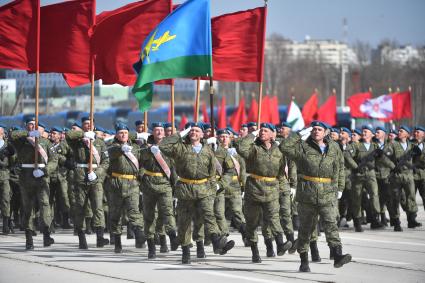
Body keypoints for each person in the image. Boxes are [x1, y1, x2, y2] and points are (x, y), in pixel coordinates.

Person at [279, 121, 351, 272]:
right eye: (314, 129)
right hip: (307, 194)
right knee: (306, 228)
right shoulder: (303, 147)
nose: (316, 131)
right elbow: (284, 147)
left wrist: (340, 187)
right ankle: (304, 261)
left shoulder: (334, 147)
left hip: (328, 193)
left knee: (331, 224)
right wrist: (299, 135)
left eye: (319, 129)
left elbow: (340, 168)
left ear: (325, 132)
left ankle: (337, 255)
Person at [158, 123, 234, 264]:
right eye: (191, 130)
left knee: (208, 215)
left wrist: (216, 185)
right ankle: (185, 251)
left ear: (202, 134)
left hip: (204, 188)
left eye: (196, 130)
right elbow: (163, 145)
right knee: (184, 221)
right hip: (186, 188)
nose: (193, 132)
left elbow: (213, 171)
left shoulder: (208, 150)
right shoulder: (180, 148)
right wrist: (180, 133)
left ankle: (217, 241)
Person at [235, 123, 292, 263]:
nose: (262, 133)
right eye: (261, 131)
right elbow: (241, 148)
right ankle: (255, 251)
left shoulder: (279, 150)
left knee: (273, 218)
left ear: (273, 134)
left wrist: (285, 187)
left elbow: (281, 172)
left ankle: (280, 244)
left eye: (265, 131)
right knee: (252, 222)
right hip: (254, 188)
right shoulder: (253, 148)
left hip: (272, 188)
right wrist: (252, 134)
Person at [9, 118, 58, 249]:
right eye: (30, 125)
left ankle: (46, 235)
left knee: (45, 204)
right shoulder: (22, 140)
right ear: (26, 126)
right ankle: (28, 238)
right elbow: (11, 135)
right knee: (27, 207)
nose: (32, 127)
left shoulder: (46, 142)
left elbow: (54, 160)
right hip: (26, 176)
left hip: (41, 176)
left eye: (34, 125)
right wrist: (28, 134)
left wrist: (45, 170)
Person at [66, 117, 110, 249]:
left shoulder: (100, 142)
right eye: (85, 124)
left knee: (98, 207)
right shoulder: (77, 141)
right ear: (82, 126)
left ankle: (100, 237)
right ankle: (81, 237)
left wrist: (97, 173)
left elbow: (105, 161)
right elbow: (68, 135)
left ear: (94, 125)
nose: (88, 125)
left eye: (90, 124)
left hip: (95, 178)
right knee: (81, 207)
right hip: (81, 177)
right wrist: (83, 134)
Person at [139, 122, 178, 259]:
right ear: (152, 132)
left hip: (165, 183)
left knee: (167, 212)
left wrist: (175, 185)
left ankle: (172, 235)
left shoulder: (169, 146)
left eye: (161, 130)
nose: (160, 132)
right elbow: (140, 161)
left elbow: (173, 166)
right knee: (149, 216)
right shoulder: (145, 146)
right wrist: (149, 150)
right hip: (149, 184)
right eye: (157, 130)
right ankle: (151, 247)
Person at [107, 123, 145, 253]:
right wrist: (122, 149)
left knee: (134, 211)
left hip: (132, 183)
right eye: (120, 133)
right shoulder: (112, 146)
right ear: (116, 134)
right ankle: (117, 241)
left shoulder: (135, 146)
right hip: (116, 184)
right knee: (116, 215)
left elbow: (141, 163)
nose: (123, 135)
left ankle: (139, 235)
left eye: (125, 133)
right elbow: (112, 153)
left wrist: (141, 176)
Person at [383, 126, 422, 231]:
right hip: (397, 176)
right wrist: (393, 167)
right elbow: (384, 157)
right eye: (399, 131)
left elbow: (419, 159)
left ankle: (411, 220)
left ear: (407, 134)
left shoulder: (412, 145)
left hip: (409, 175)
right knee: (395, 199)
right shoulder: (392, 144)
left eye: (401, 131)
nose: (399, 132)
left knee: (411, 197)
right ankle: (396, 222)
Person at [350, 126, 385, 231]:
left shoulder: (375, 146)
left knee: (374, 195)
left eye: (366, 131)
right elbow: (347, 155)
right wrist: (355, 167)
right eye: (363, 131)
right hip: (358, 175)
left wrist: (392, 167)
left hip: (371, 174)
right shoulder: (356, 145)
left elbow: (383, 159)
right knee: (357, 198)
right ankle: (357, 222)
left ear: (372, 134)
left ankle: (375, 217)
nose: (363, 133)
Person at [0, 124, 15, 234]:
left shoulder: (7, 146)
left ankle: (6, 224)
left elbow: (13, 160)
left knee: (6, 199)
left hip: (4, 175)